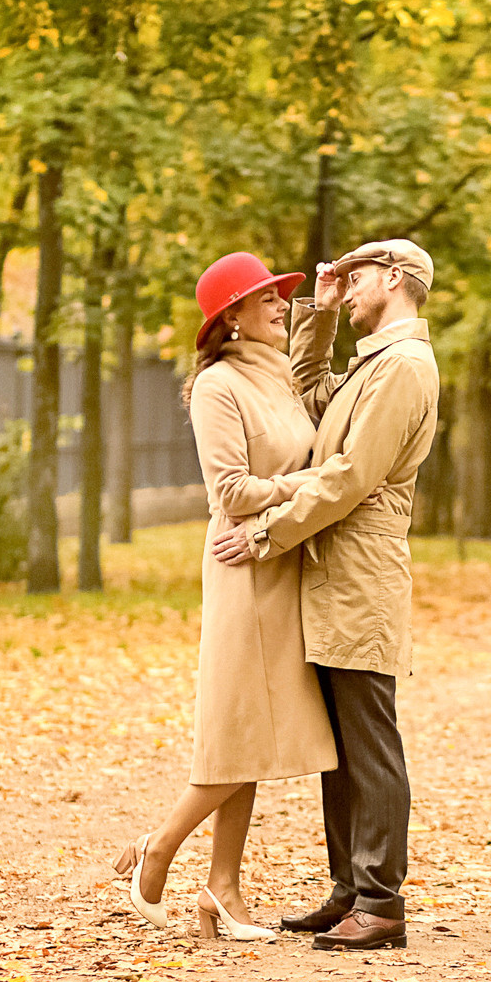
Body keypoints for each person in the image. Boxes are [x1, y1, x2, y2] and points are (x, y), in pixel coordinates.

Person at [212, 239, 441, 953]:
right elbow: (310, 396)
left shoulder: (403, 367)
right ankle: (349, 891)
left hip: (361, 574)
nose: (347, 281)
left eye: (357, 274)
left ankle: (380, 901)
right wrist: (322, 312)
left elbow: (346, 476)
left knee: (370, 741)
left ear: (394, 278)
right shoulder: (374, 362)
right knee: (341, 746)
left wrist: (264, 534)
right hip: (334, 572)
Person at [112, 252, 338, 942]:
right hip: (242, 568)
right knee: (239, 731)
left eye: (281, 296)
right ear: (230, 317)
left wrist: (325, 310)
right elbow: (231, 492)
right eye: (266, 298)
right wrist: (315, 483)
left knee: (252, 733)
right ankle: (158, 849)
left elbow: (312, 380)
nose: (280, 304)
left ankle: (222, 889)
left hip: (279, 563)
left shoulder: (279, 376)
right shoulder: (217, 386)